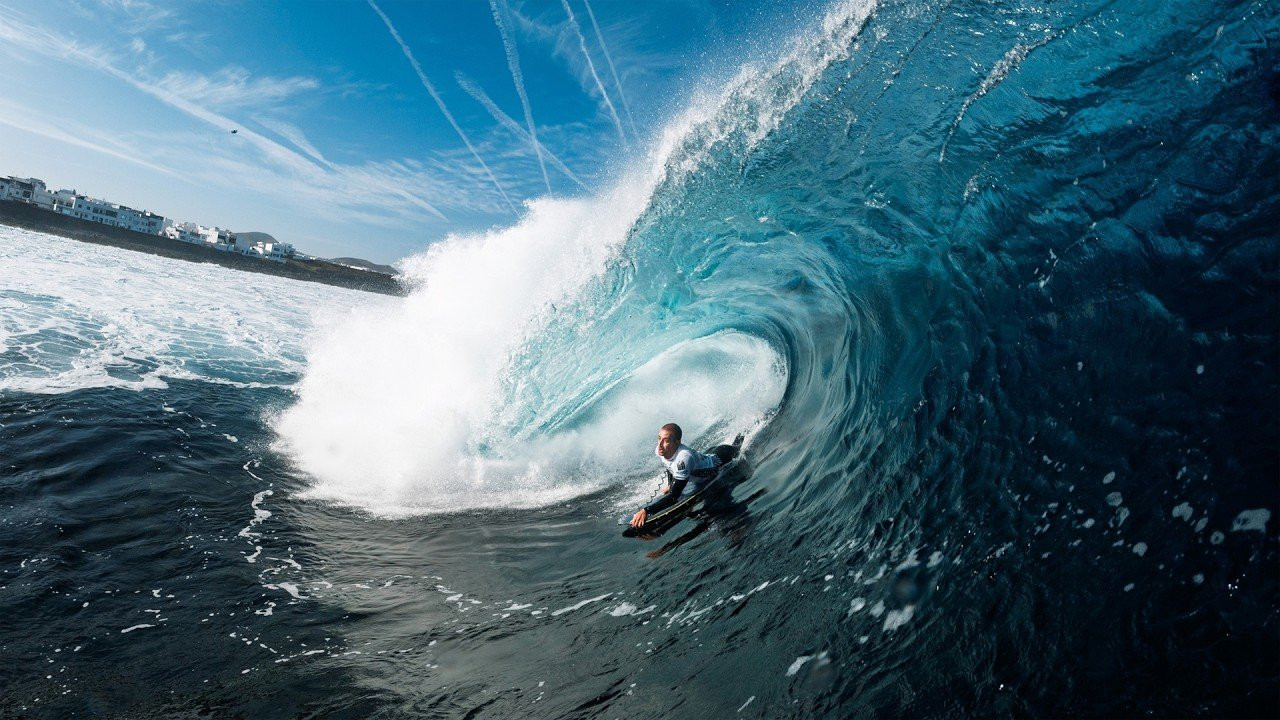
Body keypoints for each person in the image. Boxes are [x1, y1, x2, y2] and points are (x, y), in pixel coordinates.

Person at [629, 423, 722, 529]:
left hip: (720, 460)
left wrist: (646, 510)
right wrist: (670, 484)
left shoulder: (684, 459)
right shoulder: (660, 450)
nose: (660, 444)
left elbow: (674, 497)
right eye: (659, 438)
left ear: (677, 443)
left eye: (666, 441)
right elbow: (669, 465)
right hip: (704, 459)